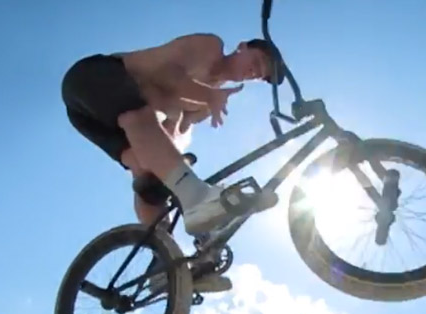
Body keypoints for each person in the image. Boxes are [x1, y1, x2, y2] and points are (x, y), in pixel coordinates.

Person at [61, 34, 282, 293]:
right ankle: (197, 199)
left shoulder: (203, 102)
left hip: (93, 119)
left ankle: (162, 265)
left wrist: (174, 165)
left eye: (258, 75)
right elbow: (167, 75)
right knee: (139, 118)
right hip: (92, 78)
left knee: (149, 176)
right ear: (241, 47)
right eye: (256, 61)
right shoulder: (209, 48)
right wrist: (209, 96)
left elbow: (174, 127)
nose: (253, 72)